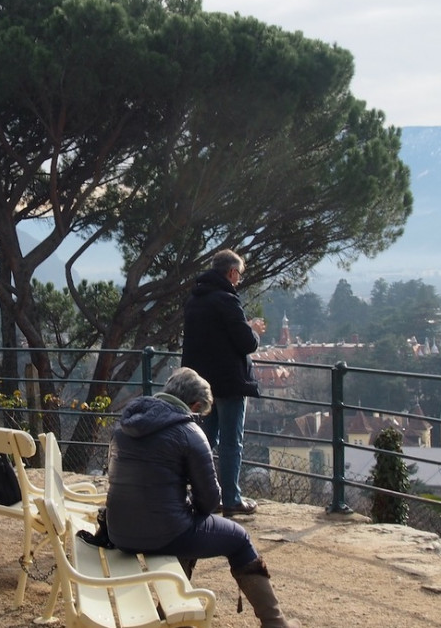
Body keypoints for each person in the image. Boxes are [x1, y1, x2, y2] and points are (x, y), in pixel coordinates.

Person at [105, 368, 301, 628]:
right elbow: (209, 501)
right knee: (239, 539)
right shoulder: (189, 432)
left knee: (188, 522)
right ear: (195, 405)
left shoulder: (127, 422)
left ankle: (169, 611)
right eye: (199, 413)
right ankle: (274, 622)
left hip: (119, 531)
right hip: (162, 533)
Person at [182, 248, 266, 517]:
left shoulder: (195, 300)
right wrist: (253, 329)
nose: (239, 280)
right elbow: (246, 342)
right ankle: (231, 499)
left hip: (202, 383)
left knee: (204, 439)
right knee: (231, 441)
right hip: (229, 382)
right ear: (231, 272)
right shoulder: (227, 300)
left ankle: (204, 494)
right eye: (239, 275)